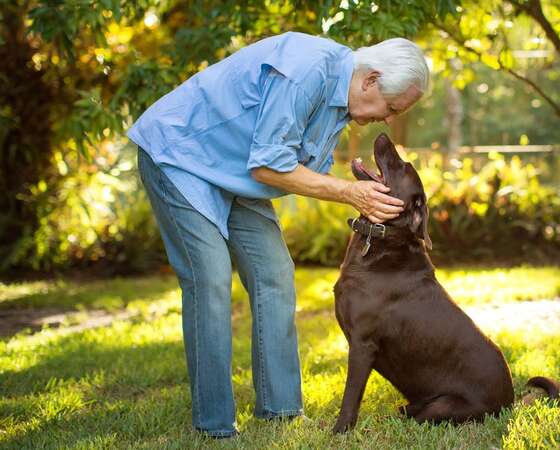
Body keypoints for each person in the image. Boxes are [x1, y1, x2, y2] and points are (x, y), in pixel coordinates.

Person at [127, 31, 428, 438]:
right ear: (370, 80)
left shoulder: (342, 102)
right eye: (391, 108)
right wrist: (349, 192)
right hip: (181, 155)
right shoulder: (306, 71)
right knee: (211, 279)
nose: (389, 119)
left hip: (234, 171)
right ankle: (215, 427)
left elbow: (291, 166)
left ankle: (280, 411)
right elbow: (269, 167)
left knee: (274, 275)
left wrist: (355, 190)